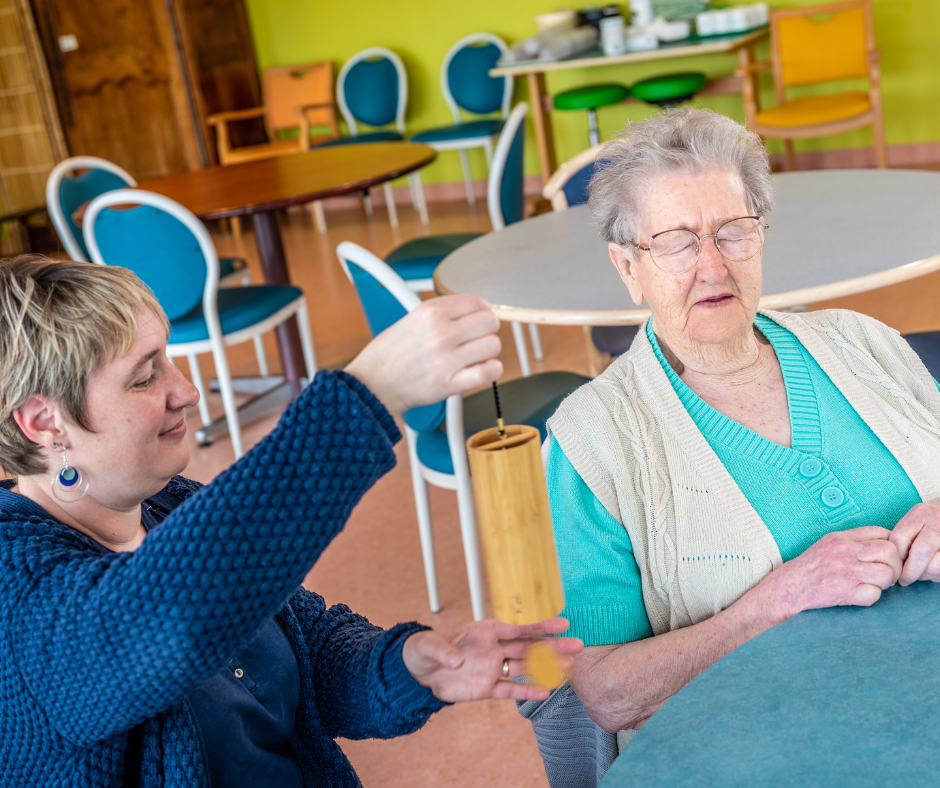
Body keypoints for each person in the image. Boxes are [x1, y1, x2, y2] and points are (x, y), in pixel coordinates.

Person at [0, 255, 583, 787]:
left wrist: (413, 666)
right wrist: (366, 394)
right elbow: (169, 618)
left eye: (169, 360)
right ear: (45, 423)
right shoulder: (16, 592)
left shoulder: (169, 501)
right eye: (144, 376)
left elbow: (311, 648)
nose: (187, 391)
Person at [522, 108, 940, 786]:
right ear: (629, 267)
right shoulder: (593, 441)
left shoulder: (863, 342)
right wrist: (773, 602)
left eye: (733, 231)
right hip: (767, 760)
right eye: (677, 242)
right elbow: (603, 690)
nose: (712, 264)